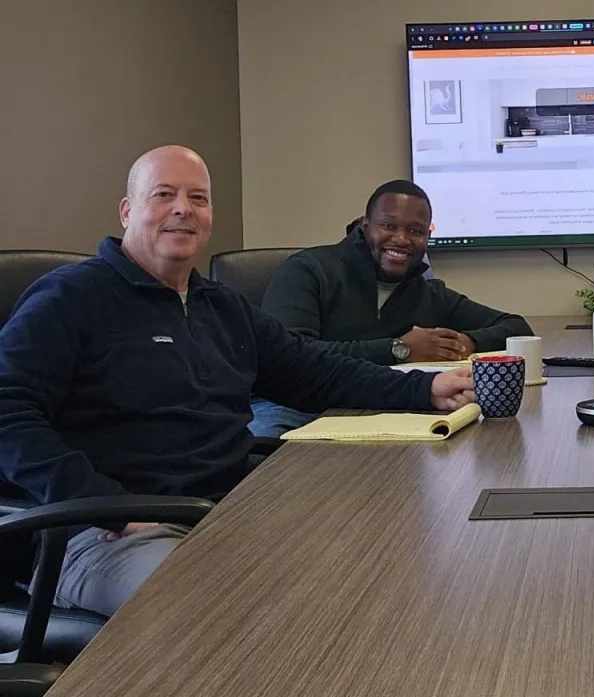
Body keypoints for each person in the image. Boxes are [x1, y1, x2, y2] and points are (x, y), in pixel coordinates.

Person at [0, 146, 476, 617]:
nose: (183, 209)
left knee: (361, 566)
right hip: (103, 533)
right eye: (164, 194)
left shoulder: (221, 307)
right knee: (218, 610)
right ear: (128, 211)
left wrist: (423, 389)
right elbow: (8, 412)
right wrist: (107, 505)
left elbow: (315, 372)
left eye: (198, 198)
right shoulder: (72, 297)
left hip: (222, 513)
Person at [252, 179, 533, 437]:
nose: (401, 239)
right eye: (388, 226)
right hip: (291, 406)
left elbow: (516, 326)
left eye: (415, 231)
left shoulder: (429, 293)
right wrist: (399, 349)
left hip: (381, 406)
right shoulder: (307, 270)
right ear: (366, 226)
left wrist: (466, 342)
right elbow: (289, 359)